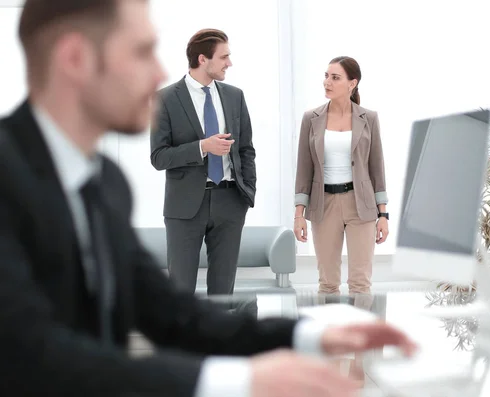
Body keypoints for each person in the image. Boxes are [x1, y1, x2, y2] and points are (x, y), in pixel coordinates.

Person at [0, 1, 418, 396]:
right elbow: (33, 353)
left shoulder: (106, 185)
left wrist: (305, 334)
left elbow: (170, 312)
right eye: (142, 51)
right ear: (75, 58)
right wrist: (238, 379)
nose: (159, 71)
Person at [150, 28, 254, 295]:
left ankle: (220, 339)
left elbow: (246, 150)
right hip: (184, 207)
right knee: (180, 291)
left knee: (223, 293)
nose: (229, 63)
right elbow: (159, 157)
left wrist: (247, 194)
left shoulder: (234, 96)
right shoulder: (165, 99)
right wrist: (202, 147)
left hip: (230, 202)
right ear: (202, 60)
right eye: (224, 57)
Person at [294, 56, 390, 295]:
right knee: (327, 283)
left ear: (352, 83)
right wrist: (298, 214)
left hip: (361, 205)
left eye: (335, 77)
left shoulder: (369, 118)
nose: (327, 82)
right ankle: (330, 332)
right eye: (326, 76)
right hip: (323, 203)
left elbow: (377, 168)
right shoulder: (311, 118)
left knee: (360, 283)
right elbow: (304, 169)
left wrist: (383, 215)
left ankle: (362, 332)